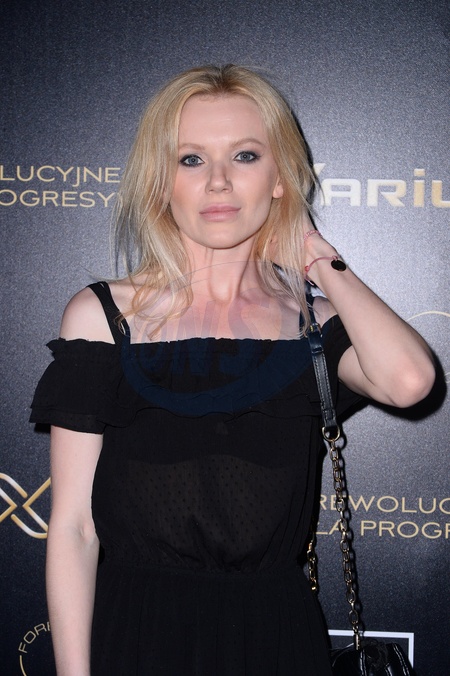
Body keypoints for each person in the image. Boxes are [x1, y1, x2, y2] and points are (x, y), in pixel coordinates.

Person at [30, 64, 435, 676]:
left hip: (275, 638)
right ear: (160, 181)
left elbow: (410, 382)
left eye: (245, 156)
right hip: (133, 635)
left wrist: (319, 261)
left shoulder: (311, 325)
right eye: (191, 159)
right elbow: (74, 529)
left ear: (280, 179)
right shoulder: (104, 316)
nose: (218, 180)